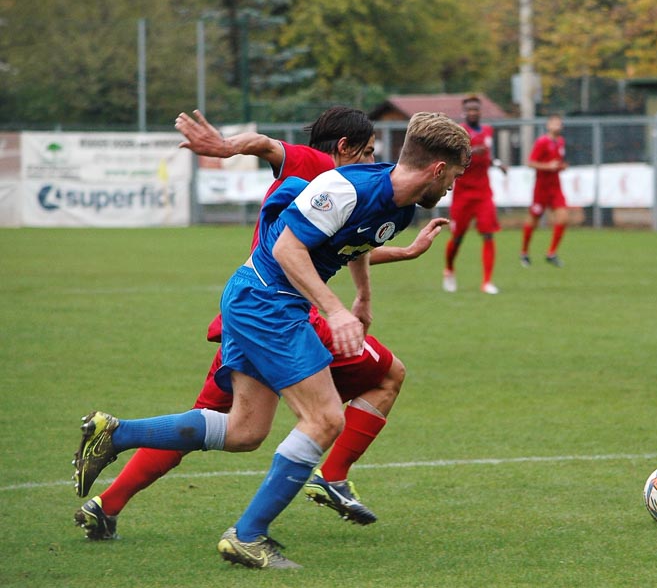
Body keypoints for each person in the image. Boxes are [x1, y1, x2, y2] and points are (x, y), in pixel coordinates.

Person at [72, 112, 471, 569]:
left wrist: (362, 297)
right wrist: (335, 310)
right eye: (455, 177)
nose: (452, 188)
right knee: (325, 418)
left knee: (245, 431)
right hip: (267, 301)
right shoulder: (346, 186)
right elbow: (286, 248)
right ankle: (248, 536)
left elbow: (353, 244)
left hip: (266, 303)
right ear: (438, 169)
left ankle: (117, 433)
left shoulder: (401, 207)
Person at [443, 95, 507, 294]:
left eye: (476, 109)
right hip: (463, 194)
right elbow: (452, 158)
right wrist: (469, 152)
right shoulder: (459, 132)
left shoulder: (488, 131)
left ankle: (487, 282)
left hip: (483, 193)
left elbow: (487, 156)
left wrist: (497, 163)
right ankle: (449, 270)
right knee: (457, 238)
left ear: (480, 111)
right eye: (469, 109)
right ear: (464, 112)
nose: (473, 112)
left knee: (488, 234)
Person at [520, 114, 568, 267]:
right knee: (534, 219)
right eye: (554, 123)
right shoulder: (542, 142)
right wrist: (548, 166)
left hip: (555, 187)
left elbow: (557, 162)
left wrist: (561, 166)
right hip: (541, 187)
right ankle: (524, 252)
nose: (557, 126)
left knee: (563, 217)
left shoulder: (560, 141)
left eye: (559, 123)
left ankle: (551, 253)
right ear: (548, 125)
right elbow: (531, 163)